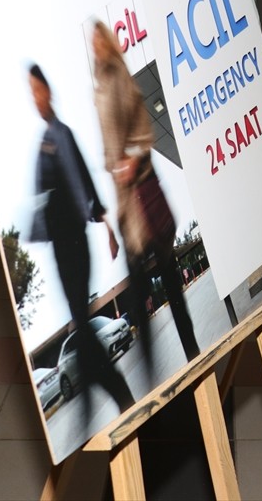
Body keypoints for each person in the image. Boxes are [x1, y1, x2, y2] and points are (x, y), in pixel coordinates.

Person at [92, 22, 201, 363]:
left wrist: (130, 162)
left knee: (168, 278)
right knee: (139, 290)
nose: (96, 47)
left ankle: (192, 351)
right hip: (127, 206)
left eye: (100, 40)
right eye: (92, 43)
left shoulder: (125, 82)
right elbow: (109, 155)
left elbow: (143, 137)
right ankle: (153, 367)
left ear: (109, 44)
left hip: (143, 194)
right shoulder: (99, 93)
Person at [29, 64, 134, 414]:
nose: (35, 99)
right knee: (81, 323)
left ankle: (117, 396)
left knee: (83, 327)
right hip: (62, 247)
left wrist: (106, 227)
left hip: (75, 242)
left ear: (49, 92)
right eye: (31, 93)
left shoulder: (62, 136)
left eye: (38, 91)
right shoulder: (44, 144)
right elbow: (42, 198)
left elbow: (85, 183)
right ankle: (110, 397)